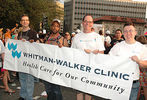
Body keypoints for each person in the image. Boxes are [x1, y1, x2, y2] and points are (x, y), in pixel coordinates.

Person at [109, 23, 147, 100]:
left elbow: (145, 64)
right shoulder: (117, 46)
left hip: (133, 84)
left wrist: (138, 61)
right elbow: (108, 60)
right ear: (123, 33)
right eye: (125, 31)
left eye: (130, 31)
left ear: (135, 32)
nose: (128, 33)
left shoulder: (141, 47)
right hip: (118, 82)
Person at [71, 14, 105, 100]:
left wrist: (93, 53)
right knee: (79, 91)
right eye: (86, 21)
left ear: (92, 23)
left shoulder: (97, 37)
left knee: (88, 92)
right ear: (82, 23)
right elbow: (72, 52)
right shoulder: (77, 37)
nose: (87, 23)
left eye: (90, 22)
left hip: (91, 69)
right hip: (79, 69)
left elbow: (102, 52)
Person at [44, 19, 68, 100]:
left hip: (57, 68)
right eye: (53, 25)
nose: (55, 27)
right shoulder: (46, 38)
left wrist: (63, 48)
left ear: (59, 28)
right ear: (51, 27)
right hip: (46, 67)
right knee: (48, 88)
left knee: (56, 89)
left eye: (57, 26)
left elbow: (67, 54)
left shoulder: (62, 39)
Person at [17, 14, 37, 100]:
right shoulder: (20, 33)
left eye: (26, 20)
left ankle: (29, 98)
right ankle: (23, 96)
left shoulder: (33, 32)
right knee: (22, 78)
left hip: (30, 61)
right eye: (23, 20)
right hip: (21, 59)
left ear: (28, 22)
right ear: (21, 22)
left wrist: (33, 42)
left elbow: (38, 45)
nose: (25, 21)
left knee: (29, 80)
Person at [136, 35, 147, 100]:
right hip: (145, 71)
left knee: (137, 89)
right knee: (145, 90)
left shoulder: (138, 49)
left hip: (140, 71)